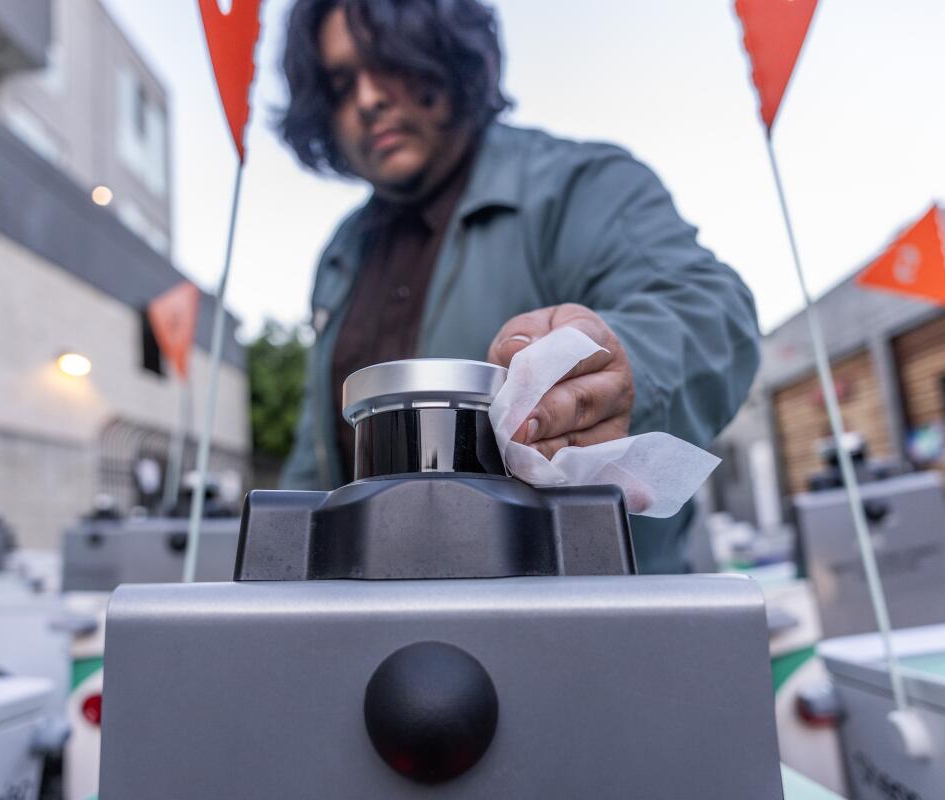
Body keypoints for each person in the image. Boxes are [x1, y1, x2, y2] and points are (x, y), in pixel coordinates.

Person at [275, 0, 760, 573]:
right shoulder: (342, 254)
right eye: (339, 82)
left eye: (391, 62)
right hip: (371, 638)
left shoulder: (580, 185)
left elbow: (709, 311)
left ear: (451, 57)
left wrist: (618, 368)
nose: (368, 98)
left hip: (585, 634)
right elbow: (317, 459)